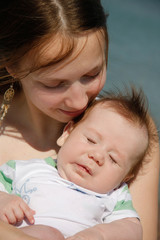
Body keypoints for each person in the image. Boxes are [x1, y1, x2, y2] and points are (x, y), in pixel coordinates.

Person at [0, 1, 159, 240]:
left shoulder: (131, 133)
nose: (78, 103)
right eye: (55, 84)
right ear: (12, 65)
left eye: (92, 74)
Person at [0, 88, 158, 240]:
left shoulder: (114, 195)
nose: (97, 156)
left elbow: (133, 229)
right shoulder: (25, 169)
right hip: (29, 234)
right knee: (47, 235)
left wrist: (100, 235)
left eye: (113, 159)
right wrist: (4, 200)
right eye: (91, 140)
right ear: (66, 134)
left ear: (126, 176)